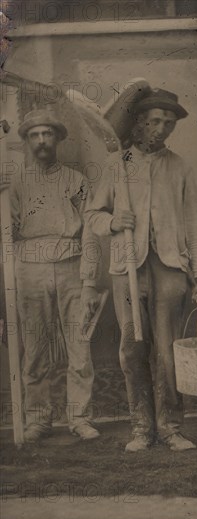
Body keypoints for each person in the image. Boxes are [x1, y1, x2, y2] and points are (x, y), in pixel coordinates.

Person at [85, 88, 197, 451]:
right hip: (127, 267)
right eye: (154, 121)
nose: (161, 129)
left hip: (171, 268)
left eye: (168, 123)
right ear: (139, 124)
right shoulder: (116, 165)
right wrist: (112, 221)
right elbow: (92, 215)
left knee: (169, 350)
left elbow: (195, 227)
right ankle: (141, 427)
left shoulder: (180, 166)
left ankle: (170, 426)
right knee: (132, 349)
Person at [8, 108, 101, 442]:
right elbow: (10, 232)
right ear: (27, 142)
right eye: (34, 135)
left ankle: (80, 418)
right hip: (29, 269)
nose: (41, 140)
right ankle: (38, 419)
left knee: (80, 345)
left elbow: (90, 231)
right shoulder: (14, 184)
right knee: (34, 347)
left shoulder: (75, 181)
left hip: (70, 265)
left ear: (58, 139)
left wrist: (89, 278)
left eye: (47, 134)